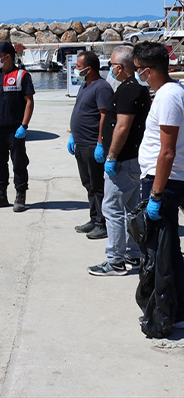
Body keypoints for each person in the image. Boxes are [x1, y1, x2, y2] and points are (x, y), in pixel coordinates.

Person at [87, 45, 150, 276]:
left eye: (112, 65)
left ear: (120, 67)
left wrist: (111, 155)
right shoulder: (140, 88)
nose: (110, 69)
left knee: (112, 208)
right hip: (134, 159)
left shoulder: (127, 90)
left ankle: (114, 261)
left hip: (123, 160)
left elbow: (122, 127)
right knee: (131, 208)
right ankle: (133, 253)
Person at [134, 41, 184, 325]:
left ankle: (169, 311)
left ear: (150, 70)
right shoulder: (173, 92)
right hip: (165, 179)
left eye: (139, 70)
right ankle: (175, 308)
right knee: (168, 250)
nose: (138, 74)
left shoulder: (167, 97)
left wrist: (155, 194)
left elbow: (167, 150)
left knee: (159, 253)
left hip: (162, 182)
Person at [0, 41, 35, 212]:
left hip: (14, 128)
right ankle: (1, 194)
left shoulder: (22, 76)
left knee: (19, 162)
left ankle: (20, 194)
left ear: (7, 57)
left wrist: (24, 125)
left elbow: (29, 102)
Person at [67, 50, 113, 239]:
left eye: (78, 66)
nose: (75, 70)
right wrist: (72, 135)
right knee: (88, 184)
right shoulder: (85, 86)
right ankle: (94, 218)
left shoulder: (101, 88)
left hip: (92, 143)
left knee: (97, 185)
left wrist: (101, 142)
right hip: (80, 142)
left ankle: (102, 223)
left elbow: (104, 115)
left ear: (89, 68)